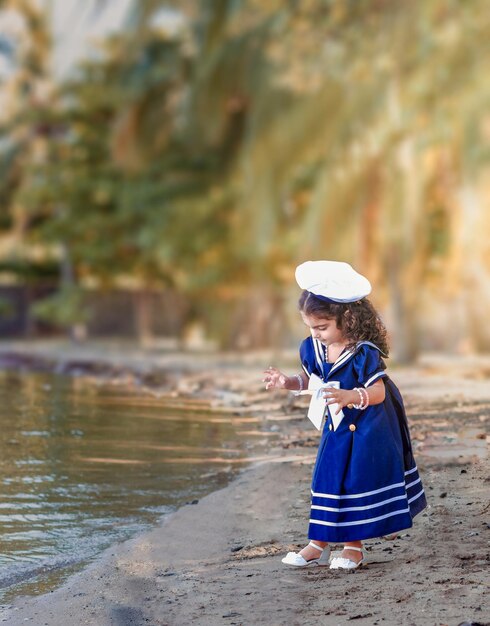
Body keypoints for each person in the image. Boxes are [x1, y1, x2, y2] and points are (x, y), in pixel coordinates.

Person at [263, 260, 427, 570]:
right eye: (311, 327)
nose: (317, 334)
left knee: (355, 482)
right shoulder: (313, 348)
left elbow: (378, 392)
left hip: (369, 425)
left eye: (322, 327)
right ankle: (317, 543)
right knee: (327, 475)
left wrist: (351, 396)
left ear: (347, 319)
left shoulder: (363, 352)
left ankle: (354, 547)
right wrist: (287, 382)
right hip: (336, 423)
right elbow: (310, 379)